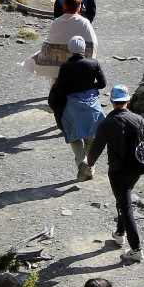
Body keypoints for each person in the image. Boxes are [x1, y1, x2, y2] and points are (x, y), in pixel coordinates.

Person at [87, 84, 144, 262]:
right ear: (128, 100)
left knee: (126, 206)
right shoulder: (139, 119)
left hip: (117, 171)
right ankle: (119, 233)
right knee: (122, 199)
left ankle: (136, 249)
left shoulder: (108, 122)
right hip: (137, 169)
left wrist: (90, 164)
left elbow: (97, 146)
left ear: (112, 101)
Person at [49, 38, 108, 183]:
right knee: (91, 137)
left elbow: (60, 88)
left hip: (72, 107)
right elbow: (102, 83)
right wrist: (88, 86)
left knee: (74, 136)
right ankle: (90, 165)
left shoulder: (65, 67)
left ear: (70, 49)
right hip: (91, 105)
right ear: (84, 49)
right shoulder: (94, 63)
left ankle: (82, 162)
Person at [30, 0, 99, 78]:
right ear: (79, 6)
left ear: (64, 6)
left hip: (58, 74)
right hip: (79, 72)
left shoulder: (57, 22)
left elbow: (48, 45)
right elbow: (93, 46)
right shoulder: (84, 23)